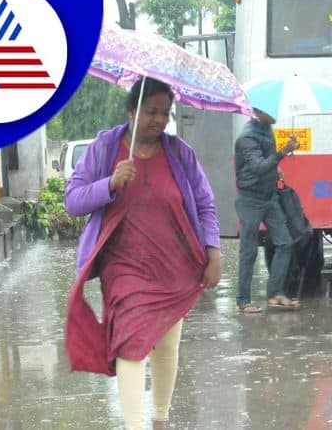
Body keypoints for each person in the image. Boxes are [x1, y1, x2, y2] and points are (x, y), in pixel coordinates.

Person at [64, 77, 221, 430]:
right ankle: (135, 425)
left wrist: (213, 252)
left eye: (165, 113)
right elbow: (73, 200)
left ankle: (160, 419)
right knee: (130, 344)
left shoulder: (180, 153)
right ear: (131, 110)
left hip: (174, 264)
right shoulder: (105, 148)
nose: (159, 120)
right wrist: (110, 183)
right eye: (151, 112)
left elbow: (205, 204)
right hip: (124, 267)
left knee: (167, 345)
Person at [234, 107, 300, 313]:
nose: (275, 116)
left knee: (285, 242)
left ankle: (275, 294)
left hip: (269, 196)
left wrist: (277, 166)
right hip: (250, 199)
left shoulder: (266, 128)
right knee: (249, 251)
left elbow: (267, 160)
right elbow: (258, 167)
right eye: (270, 112)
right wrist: (283, 152)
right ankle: (243, 301)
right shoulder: (247, 137)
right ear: (257, 112)